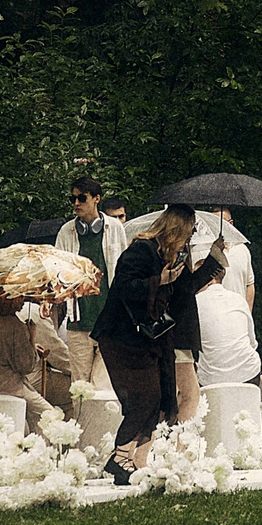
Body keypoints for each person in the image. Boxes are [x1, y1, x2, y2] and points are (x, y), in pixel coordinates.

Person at [92, 206, 199, 484]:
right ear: (176, 230)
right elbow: (123, 288)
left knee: (156, 398)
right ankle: (119, 459)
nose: (188, 240)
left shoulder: (167, 256)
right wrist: (160, 280)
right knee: (144, 397)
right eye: (188, 233)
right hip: (121, 337)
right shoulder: (141, 251)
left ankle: (127, 458)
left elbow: (184, 290)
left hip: (146, 339)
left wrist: (212, 261)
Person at [50, 177, 125, 389]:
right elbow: (57, 273)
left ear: (96, 199)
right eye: (72, 198)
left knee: (105, 387)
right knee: (80, 387)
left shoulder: (115, 228)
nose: (76, 203)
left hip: (109, 322)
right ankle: (80, 424)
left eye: (81, 198)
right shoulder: (66, 231)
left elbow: (123, 270)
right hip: (78, 322)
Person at [0, 287, 62, 424]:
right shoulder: (16, 326)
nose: (23, 300)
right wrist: (31, 338)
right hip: (3, 385)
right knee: (49, 415)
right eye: (19, 296)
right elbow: (26, 366)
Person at [192, 254, 261, 388]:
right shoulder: (239, 299)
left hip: (211, 380)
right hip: (249, 373)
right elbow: (252, 342)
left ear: (209, 279)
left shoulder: (194, 304)